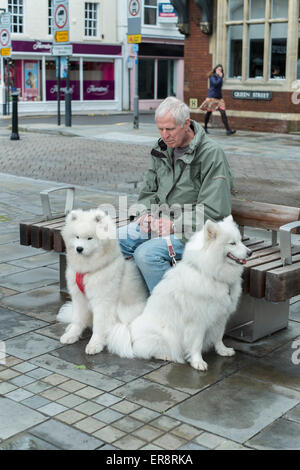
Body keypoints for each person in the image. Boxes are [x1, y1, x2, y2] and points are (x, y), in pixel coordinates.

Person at [118, 96, 233, 293]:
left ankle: (166, 311)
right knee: (113, 241)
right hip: (161, 223)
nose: (164, 135)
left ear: (186, 124)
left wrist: (174, 225)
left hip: (196, 233)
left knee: (146, 254)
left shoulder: (211, 154)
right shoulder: (161, 149)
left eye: (169, 129)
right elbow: (149, 191)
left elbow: (216, 211)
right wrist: (145, 214)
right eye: (160, 129)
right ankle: (134, 303)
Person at [199, 64, 236, 136]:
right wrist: (220, 77)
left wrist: (220, 77)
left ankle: (228, 130)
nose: (220, 70)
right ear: (215, 69)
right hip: (212, 97)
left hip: (219, 98)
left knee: (223, 113)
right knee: (209, 113)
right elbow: (215, 84)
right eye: (218, 69)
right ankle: (205, 127)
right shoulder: (212, 76)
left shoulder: (220, 77)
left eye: (221, 69)